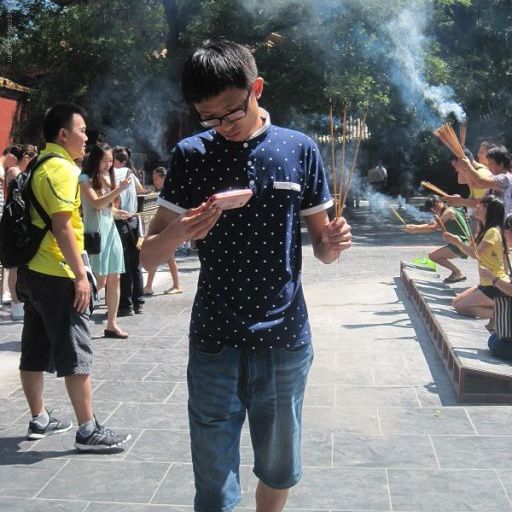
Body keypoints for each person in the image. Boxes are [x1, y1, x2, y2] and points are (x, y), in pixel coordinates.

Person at [140, 40, 352, 512]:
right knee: (213, 485)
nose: (224, 126)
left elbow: (322, 250)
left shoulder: (298, 149)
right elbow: (147, 255)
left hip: (284, 338)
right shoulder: (191, 154)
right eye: (209, 118)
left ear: (256, 88)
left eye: (232, 112)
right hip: (214, 340)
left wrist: (334, 243)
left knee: (279, 467)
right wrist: (181, 230)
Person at [15, 103, 130, 450]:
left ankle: (39, 418)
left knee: (34, 348)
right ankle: (87, 430)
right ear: (63, 134)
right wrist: (81, 275)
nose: (86, 138)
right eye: (81, 131)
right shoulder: (63, 170)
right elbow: (63, 226)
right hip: (58, 271)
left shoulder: (39, 163)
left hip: (32, 270)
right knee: (76, 349)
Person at [79, 143, 132, 338]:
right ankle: (76, 318)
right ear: (95, 160)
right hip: (95, 234)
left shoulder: (106, 178)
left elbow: (107, 208)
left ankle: (112, 324)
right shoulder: (84, 179)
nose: (108, 165)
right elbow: (96, 204)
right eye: (105, 161)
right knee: (98, 280)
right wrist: (119, 190)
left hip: (111, 232)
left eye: (110, 161)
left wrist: (118, 213)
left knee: (114, 278)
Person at [443, 195, 507, 320]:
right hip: (485, 283)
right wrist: (458, 241)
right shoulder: (484, 231)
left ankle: (504, 314)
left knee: (461, 307)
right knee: (456, 302)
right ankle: (499, 309)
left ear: (491, 211)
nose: (477, 206)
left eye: (482, 205)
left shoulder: (493, 232)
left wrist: (458, 242)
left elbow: (475, 254)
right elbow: (473, 251)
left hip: (494, 283)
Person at [4, 144, 38, 320]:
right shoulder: (14, 171)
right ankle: (16, 303)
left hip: (19, 220)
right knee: (14, 267)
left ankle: (20, 301)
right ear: (26, 157)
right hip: (14, 221)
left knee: (19, 265)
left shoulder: (20, 171)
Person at [404, 195, 470, 283]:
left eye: (435, 205)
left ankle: (457, 273)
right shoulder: (446, 211)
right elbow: (431, 225)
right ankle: (457, 272)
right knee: (433, 256)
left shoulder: (448, 212)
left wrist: (415, 230)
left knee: (433, 256)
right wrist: (414, 226)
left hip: (461, 244)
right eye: (432, 208)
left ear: (441, 201)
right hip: (459, 243)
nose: (434, 209)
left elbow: (433, 228)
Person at [112, 146, 146, 315]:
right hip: (134, 221)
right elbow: (141, 190)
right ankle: (138, 301)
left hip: (120, 222)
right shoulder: (130, 173)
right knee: (135, 265)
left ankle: (125, 305)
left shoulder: (114, 173)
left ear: (117, 161)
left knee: (124, 265)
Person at [143, 166, 183, 296]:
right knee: (162, 255)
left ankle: (175, 285)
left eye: (156, 179)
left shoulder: (169, 192)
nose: (154, 181)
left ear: (163, 178)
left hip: (167, 228)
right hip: (165, 228)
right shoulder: (166, 191)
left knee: (165, 255)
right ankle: (150, 286)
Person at [457, 145, 512, 215]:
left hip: (504, 220)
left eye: (491, 163)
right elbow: (475, 187)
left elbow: (481, 182)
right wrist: (460, 201)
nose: (489, 166)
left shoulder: (505, 178)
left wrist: (468, 165)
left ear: (501, 164)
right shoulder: (493, 181)